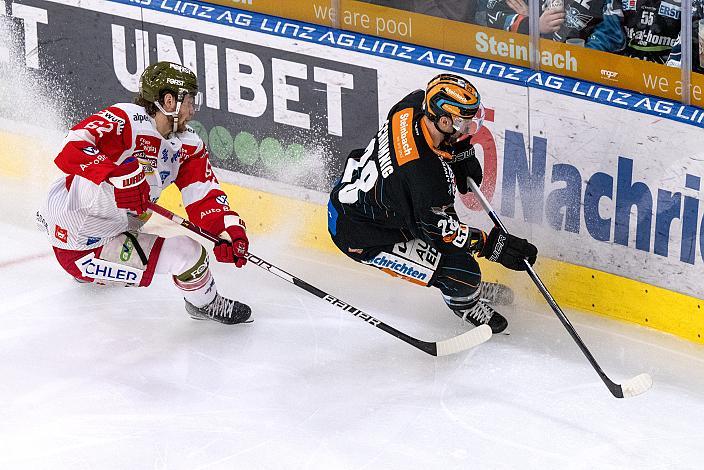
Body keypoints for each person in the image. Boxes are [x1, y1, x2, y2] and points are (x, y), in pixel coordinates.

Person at [37, 61, 251, 325]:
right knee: (189, 254)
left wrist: (226, 228)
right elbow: (71, 148)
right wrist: (117, 174)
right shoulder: (126, 120)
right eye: (189, 101)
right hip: (83, 243)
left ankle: (88, 253)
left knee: (141, 215)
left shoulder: (188, 145)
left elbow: (204, 195)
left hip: (118, 221)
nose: (193, 111)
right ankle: (205, 303)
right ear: (169, 101)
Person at [327, 73, 538, 334]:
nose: (467, 128)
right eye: (463, 123)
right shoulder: (424, 177)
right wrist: (493, 245)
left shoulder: (414, 104)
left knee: (449, 239)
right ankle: (465, 302)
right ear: (444, 119)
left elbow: (423, 152)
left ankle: (468, 289)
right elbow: (440, 232)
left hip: (364, 198)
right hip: (361, 234)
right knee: (462, 270)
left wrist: (456, 149)